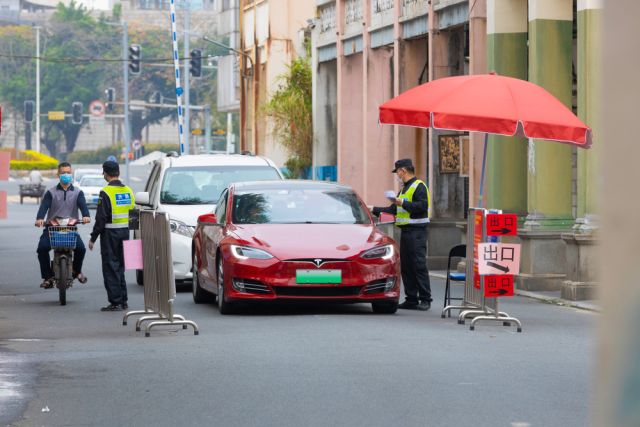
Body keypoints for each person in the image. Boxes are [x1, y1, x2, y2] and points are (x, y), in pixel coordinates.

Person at [372, 159, 432, 311]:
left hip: (417, 231)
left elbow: (422, 206)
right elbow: (393, 209)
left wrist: (402, 203)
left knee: (418, 265)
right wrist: (372, 208)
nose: (397, 175)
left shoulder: (419, 186)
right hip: (406, 231)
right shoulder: (404, 189)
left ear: (403, 171)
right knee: (406, 265)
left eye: (397, 171)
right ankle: (411, 299)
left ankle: (425, 299)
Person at [35, 162, 91, 289]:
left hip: (70, 229)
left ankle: (76, 271)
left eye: (68, 172)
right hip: (52, 229)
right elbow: (44, 208)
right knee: (42, 249)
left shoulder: (78, 192)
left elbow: (83, 206)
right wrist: (39, 219)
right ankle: (48, 277)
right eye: (63, 172)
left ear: (71, 174)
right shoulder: (51, 192)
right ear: (58, 175)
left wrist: (86, 216)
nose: (66, 175)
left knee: (81, 249)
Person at [88, 161, 135, 312]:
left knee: (110, 267)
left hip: (110, 234)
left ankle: (116, 302)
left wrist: (93, 238)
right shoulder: (128, 190)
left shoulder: (106, 192)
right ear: (118, 172)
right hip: (126, 233)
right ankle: (123, 300)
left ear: (105, 174)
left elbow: (101, 218)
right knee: (120, 266)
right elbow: (133, 213)